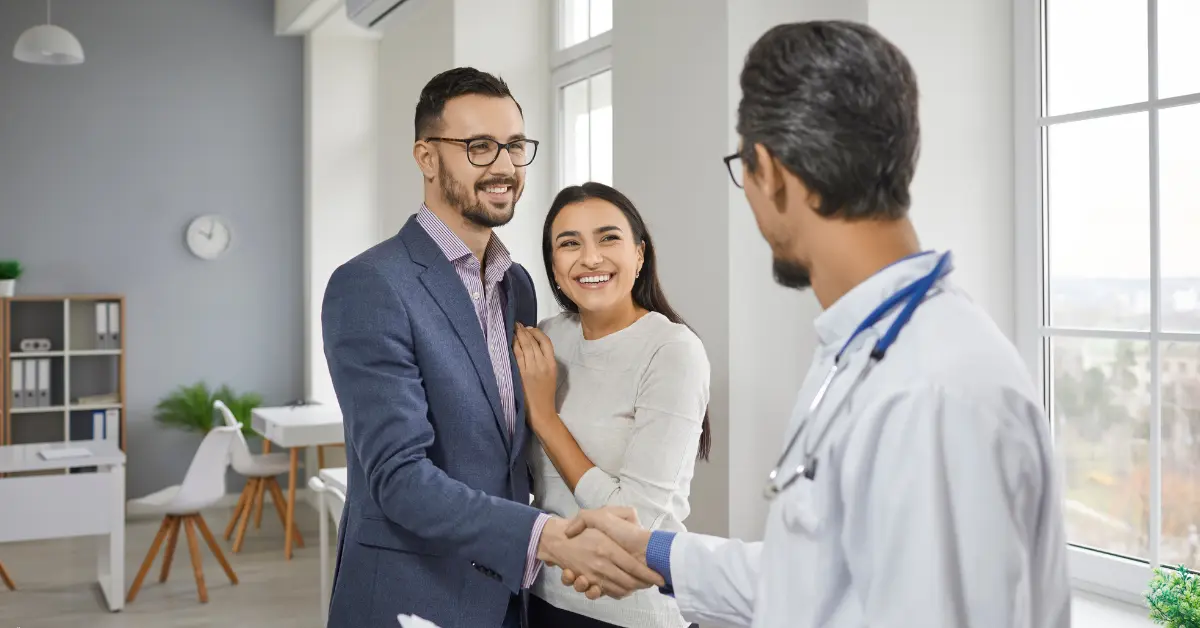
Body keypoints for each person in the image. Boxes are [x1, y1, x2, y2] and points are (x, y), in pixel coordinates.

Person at [561, 21, 1073, 628]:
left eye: (741, 168)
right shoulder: (867, 348)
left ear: (769, 170)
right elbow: (821, 577)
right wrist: (659, 553)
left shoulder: (931, 389)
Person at [321, 67, 662, 628]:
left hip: (510, 597)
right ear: (427, 158)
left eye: (514, 145)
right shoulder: (371, 285)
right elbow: (399, 477)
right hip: (413, 595)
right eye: (478, 147)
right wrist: (550, 539)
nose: (503, 166)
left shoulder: (518, 285)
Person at [512, 182, 711, 628]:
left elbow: (635, 518)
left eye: (608, 238)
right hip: (541, 598)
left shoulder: (672, 350)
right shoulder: (547, 338)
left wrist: (545, 418)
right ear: (554, 267)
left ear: (639, 255)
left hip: (632, 614)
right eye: (569, 244)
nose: (591, 258)